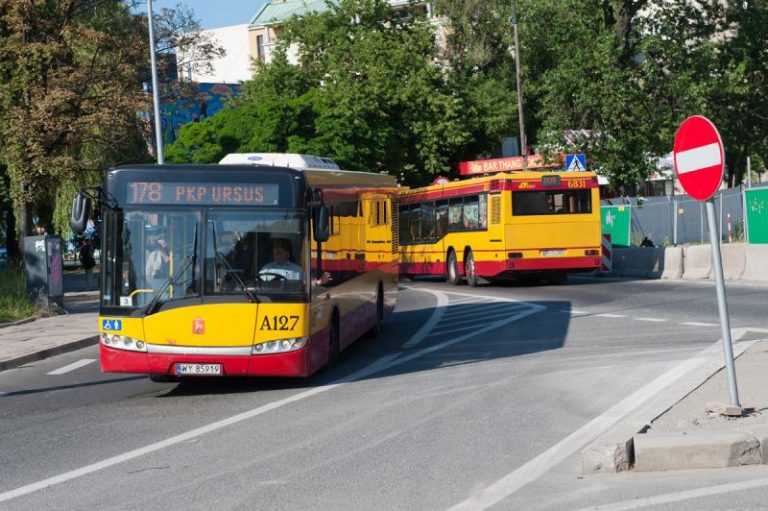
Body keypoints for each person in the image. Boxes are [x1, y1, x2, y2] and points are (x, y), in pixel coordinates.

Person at [259, 238, 331, 287]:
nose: (276, 255)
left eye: (279, 253)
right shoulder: (266, 268)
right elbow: (259, 285)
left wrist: (320, 282)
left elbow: (306, 285)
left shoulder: (297, 270)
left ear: (287, 253)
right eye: (275, 253)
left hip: (292, 300)